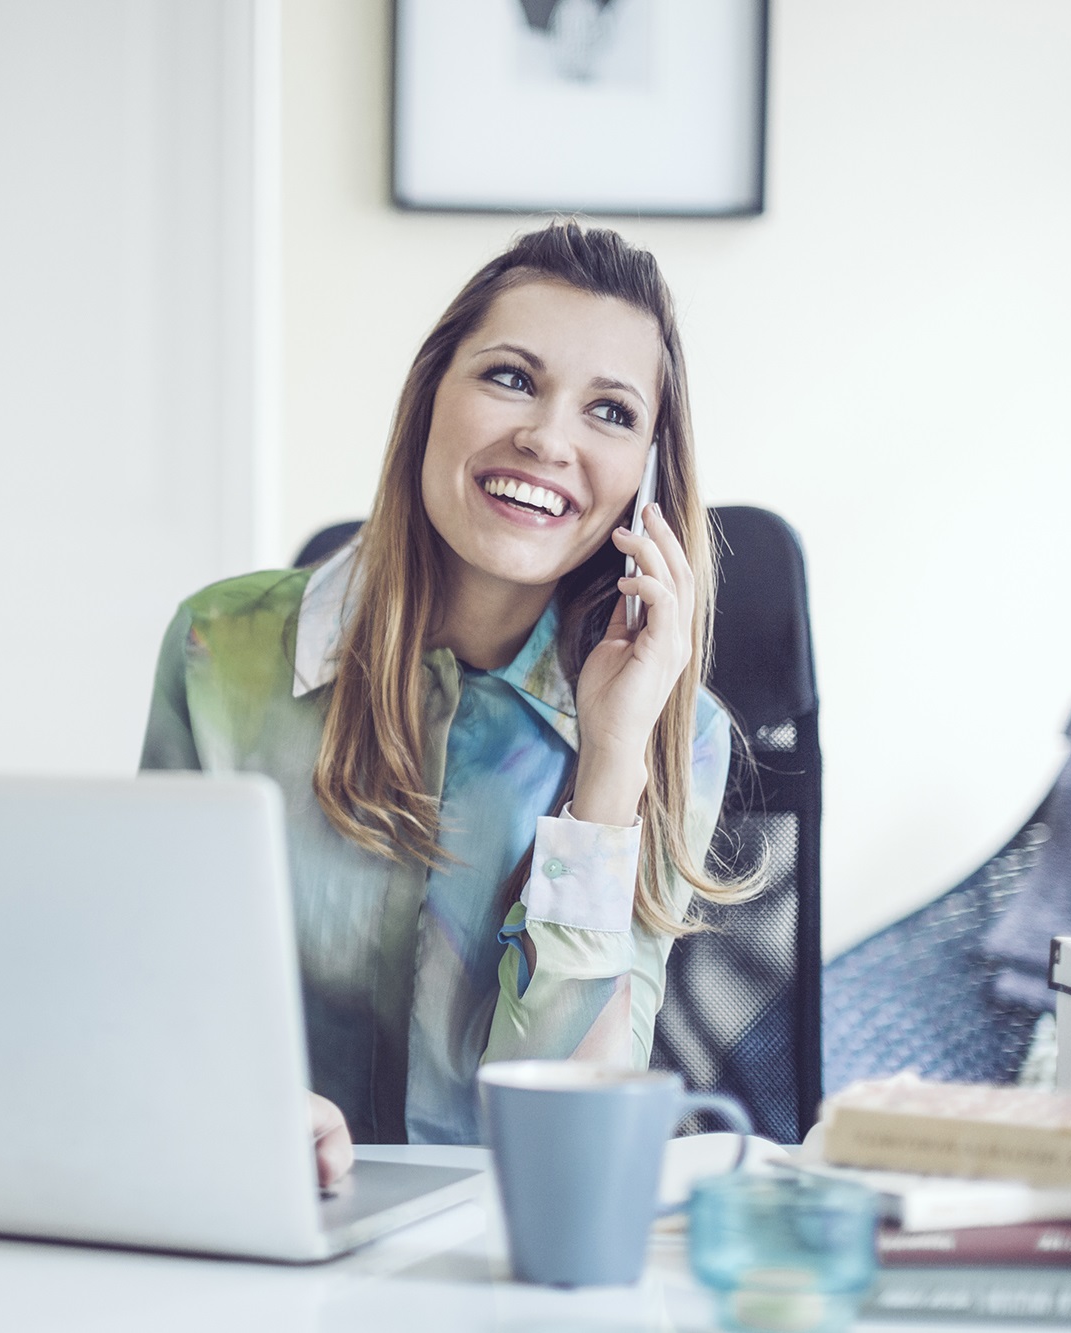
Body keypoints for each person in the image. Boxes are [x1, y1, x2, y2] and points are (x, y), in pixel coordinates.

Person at [140, 221, 742, 1184]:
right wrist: (237, 1097)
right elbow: (149, 993)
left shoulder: (673, 740)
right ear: (431, 399)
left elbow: (567, 1146)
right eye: (510, 377)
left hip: (499, 1250)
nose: (548, 439)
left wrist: (609, 769)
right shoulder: (223, 651)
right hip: (253, 1204)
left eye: (612, 413)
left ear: (647, 482)